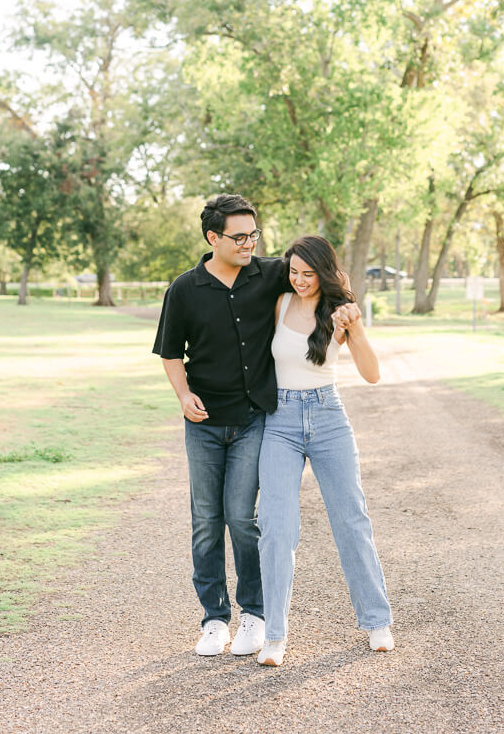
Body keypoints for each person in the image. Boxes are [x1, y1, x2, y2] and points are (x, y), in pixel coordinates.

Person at [152, 194, 286, 657]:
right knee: (206, 523)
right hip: (204, 424)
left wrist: (346, 305)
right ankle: (214, 619)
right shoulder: (185, 289)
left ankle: (255, 612)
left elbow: (317, 276)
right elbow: (171, 354)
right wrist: (183, 394)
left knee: (241, 519)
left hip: (253, 420)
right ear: (214, 238)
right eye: (239, 236)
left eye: (254, 234)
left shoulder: (270, 274)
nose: (250, 243)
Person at [256, 234, 394, 667]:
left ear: (325, 273)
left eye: (308, 274)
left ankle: (377, 622)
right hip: (279, 421)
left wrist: (355, 328)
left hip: (328, 417)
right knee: (276, 527)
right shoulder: (278, 304)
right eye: (293, 272)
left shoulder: (339, 314)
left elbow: (372, 375)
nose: (299, 281)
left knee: (351, 520)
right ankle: (274, 636)